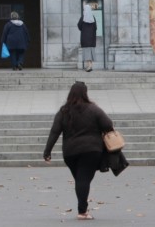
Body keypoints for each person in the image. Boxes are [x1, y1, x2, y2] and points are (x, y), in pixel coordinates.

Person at [43, 81, 115, 221]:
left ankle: (83, 207)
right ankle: (82, 212)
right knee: (83, 179)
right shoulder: (93, 109)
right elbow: (108, 124)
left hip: (70, 152)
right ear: (85, 93)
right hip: (91, 151)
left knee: (81, 179)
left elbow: (54, 132)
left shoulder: (64, 111)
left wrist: (47, 151)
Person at [78, 3, 97, 72]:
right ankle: (90, 65)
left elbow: (79, 26)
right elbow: (95, 28)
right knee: (91, 52)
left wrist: (84, 30)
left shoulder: (83, 18)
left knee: (87, 53)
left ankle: (89, 66)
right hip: (92, 39)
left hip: (85, 38)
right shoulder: (93, 18)